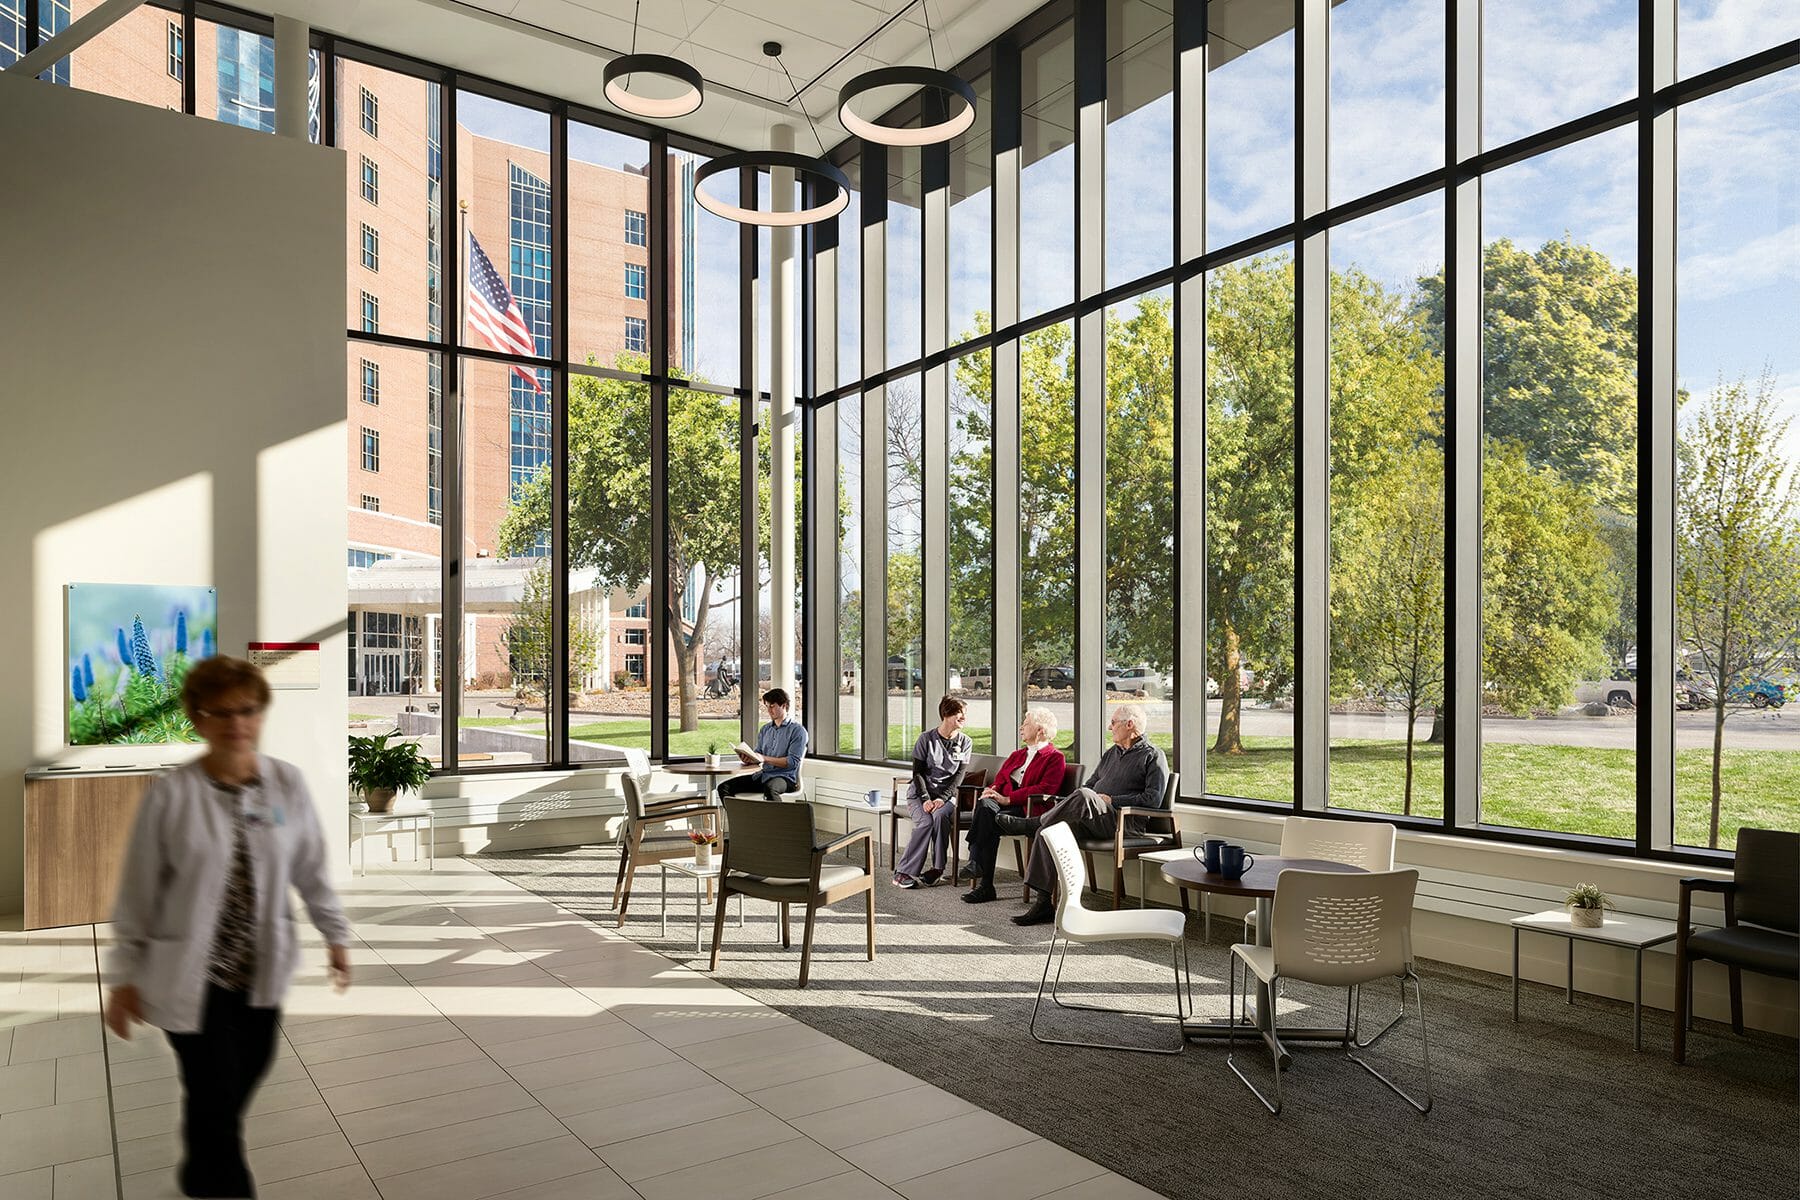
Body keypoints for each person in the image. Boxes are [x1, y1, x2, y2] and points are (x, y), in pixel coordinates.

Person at [104, 656, 352, 1199]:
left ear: (260, 713)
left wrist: (335, 935)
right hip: (190, 976)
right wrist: (124, 977)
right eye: (221, 712)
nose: (236, 723)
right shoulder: (172, 795)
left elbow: (310, 865)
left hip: (259, 971)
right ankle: (221, 1183)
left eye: (247, 710)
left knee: (246, 1072)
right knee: (215, 1096)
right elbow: (138, 893)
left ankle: (199, 1167)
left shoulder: (285, 784)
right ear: (197, 718)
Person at [997, 703, 1168, 926]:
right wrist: (1095, 799)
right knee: (1049, 831)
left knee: (1084, 795)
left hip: (1123, 822)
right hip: (1095, 817)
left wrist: (1113, 800)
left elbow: (1153, 800)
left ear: (1130, 724)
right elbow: (1090, 784)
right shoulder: (1111, 754)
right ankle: (1043, 904)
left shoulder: (1153, 756)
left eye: (1114, 723)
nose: (1109, 727)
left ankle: (1033, 822)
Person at [961, 707, 1067, 903]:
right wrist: (991, 790)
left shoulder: (1055, 758)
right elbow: (1000, 779)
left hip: (1027, 810)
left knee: (988, 818)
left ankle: (981, 876)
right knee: (986, 807)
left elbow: (1046, 788)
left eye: (1026, 724)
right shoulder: (1017, 755)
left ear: (1040, 730)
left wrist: (1008, 799)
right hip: (1002, 805)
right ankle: (978, 868)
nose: (1021, 728)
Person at [893, 696, 975, 888]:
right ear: (946, 714)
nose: (964, 717)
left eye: (965, 714)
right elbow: (918, 773)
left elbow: (959, 776)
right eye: (959, 713)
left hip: (947, 797)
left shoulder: (965, 742)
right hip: (919, 794)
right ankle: (903, 872)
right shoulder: (926, 739)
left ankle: (937, 869)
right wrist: (925, 798)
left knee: (939, 817)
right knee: (925, 822)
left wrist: (942, 798)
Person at [718, 688, 809, 802]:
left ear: (784, 705)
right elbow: (758, 755)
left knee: (770, 788)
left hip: (785, 778)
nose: (769, 710)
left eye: (772, 706)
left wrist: (764, 759)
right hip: (764, 776)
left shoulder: (798, 731)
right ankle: (737, 819)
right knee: (723, 788)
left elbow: (792, 762)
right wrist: (749, 759)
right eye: (767, 706)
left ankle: (776, 820)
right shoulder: (765, 730)